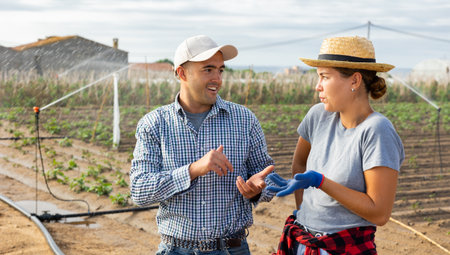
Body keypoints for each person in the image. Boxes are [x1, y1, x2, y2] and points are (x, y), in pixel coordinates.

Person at [129, 35, 275, 255]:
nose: (217, 78)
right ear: (182, 73)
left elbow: (269, 178)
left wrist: (257, 190)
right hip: (177, 250)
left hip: (233, 249)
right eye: (208, 70)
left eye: (220, 70)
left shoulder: (245, 119)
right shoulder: (154, 124)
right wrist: (193, 170)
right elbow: (140, 190)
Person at [266, 36, 405, 255]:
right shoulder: (318, 116)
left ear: (354, 80)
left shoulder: (377, 130)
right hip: (302, 242)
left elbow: (379, 213)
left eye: (324, 76)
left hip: (344, 247)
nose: (317, 85)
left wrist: (321, 182)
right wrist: (306, 214)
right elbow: (299, 164)